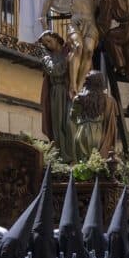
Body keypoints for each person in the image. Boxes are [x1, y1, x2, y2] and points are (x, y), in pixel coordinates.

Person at [37, 30, 76, 161]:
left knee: (69, 123)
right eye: (45, 43)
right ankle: (61, 155)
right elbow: (55, 70)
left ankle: (71, 154)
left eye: (49, 41)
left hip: (68, 90)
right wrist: (67, 61)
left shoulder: (67, 51)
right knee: (58, 124)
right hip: (56, 92)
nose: (48, 45)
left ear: (56, 38)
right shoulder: (47, 58)